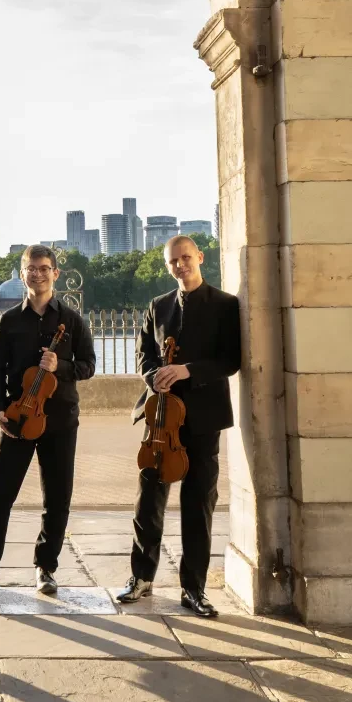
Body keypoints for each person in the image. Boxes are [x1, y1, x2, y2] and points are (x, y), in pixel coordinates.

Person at [0, 245, 96, 597]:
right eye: (31, 269)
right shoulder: (9, 320)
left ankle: (46, 568)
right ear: (22, 275)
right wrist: (0, 409)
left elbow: (89, 366)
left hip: (60, 419)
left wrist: (61, 366)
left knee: (57, 498)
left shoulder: (72, 320)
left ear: (55, 274)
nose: (38, 274)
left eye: (44, 268)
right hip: (17, 419)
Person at [116, 234, 241, 618]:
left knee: (198, 503)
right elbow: (144, 355)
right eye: (173, 261)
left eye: (186, 257)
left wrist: (187, 370)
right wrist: (153, 376)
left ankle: (194, 589)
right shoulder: (159, 306)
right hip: (160, 419)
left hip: (203, 418)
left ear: (199, 257)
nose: (180, 265)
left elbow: (230, 360)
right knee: (148, 501)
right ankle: (141, 577)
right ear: (167, 265)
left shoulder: (225, 305)